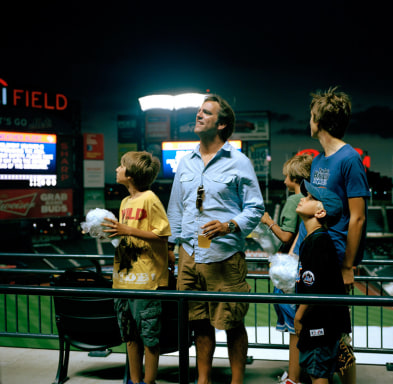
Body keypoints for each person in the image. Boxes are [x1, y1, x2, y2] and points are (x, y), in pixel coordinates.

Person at [167, 94, 264, 384]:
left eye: (206, 113)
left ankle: (236, 382)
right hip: (189, 254)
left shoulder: (239, 161)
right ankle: (203, 380)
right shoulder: (185, 161)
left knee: (232, 323)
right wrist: (176, 248)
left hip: (224, 256)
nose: (198, 115)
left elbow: (256, 207)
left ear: (221, 124)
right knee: (198, 324)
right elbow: (175, 207)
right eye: (199, 111)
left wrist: (229, 225)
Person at [292, 87, 371, 384]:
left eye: (312, 116)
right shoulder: (321, 160)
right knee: (321, 331)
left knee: (336, 332)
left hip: (335, 256)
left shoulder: (350, 159)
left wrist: (348, 265)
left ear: (321, 121)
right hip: (316, 252)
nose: (308, 120)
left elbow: (358, 217)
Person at [103, 151, 172, 384]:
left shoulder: (150, 198)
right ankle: (134, 380)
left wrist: (127, 230)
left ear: (130, 174)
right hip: (123, 280)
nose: (117, 169)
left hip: (147, 282)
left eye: (121, 166)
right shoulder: (124, 202)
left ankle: (148, 382)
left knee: (149, 339)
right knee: (130, 338)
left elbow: (162, 235)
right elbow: (126, 235)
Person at [260, 153, 312, 384]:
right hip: (306, 268)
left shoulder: (295, 201)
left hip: (292, 270)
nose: (283, 181)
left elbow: (286, 236)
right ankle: (301, 373)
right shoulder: (314, 199)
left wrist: (268, 221)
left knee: (295, 330)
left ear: (296, 178)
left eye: (287, 177)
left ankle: (293, 378)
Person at [294, 180, 352, 384]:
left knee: (317, 372)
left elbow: (314, 288)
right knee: (315, 368)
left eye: (310, 197)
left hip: (321, 321)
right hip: (322, 319)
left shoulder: (318, 242)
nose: (303, 198)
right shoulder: (315, 239)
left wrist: (299, 317)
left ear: (320, 213)